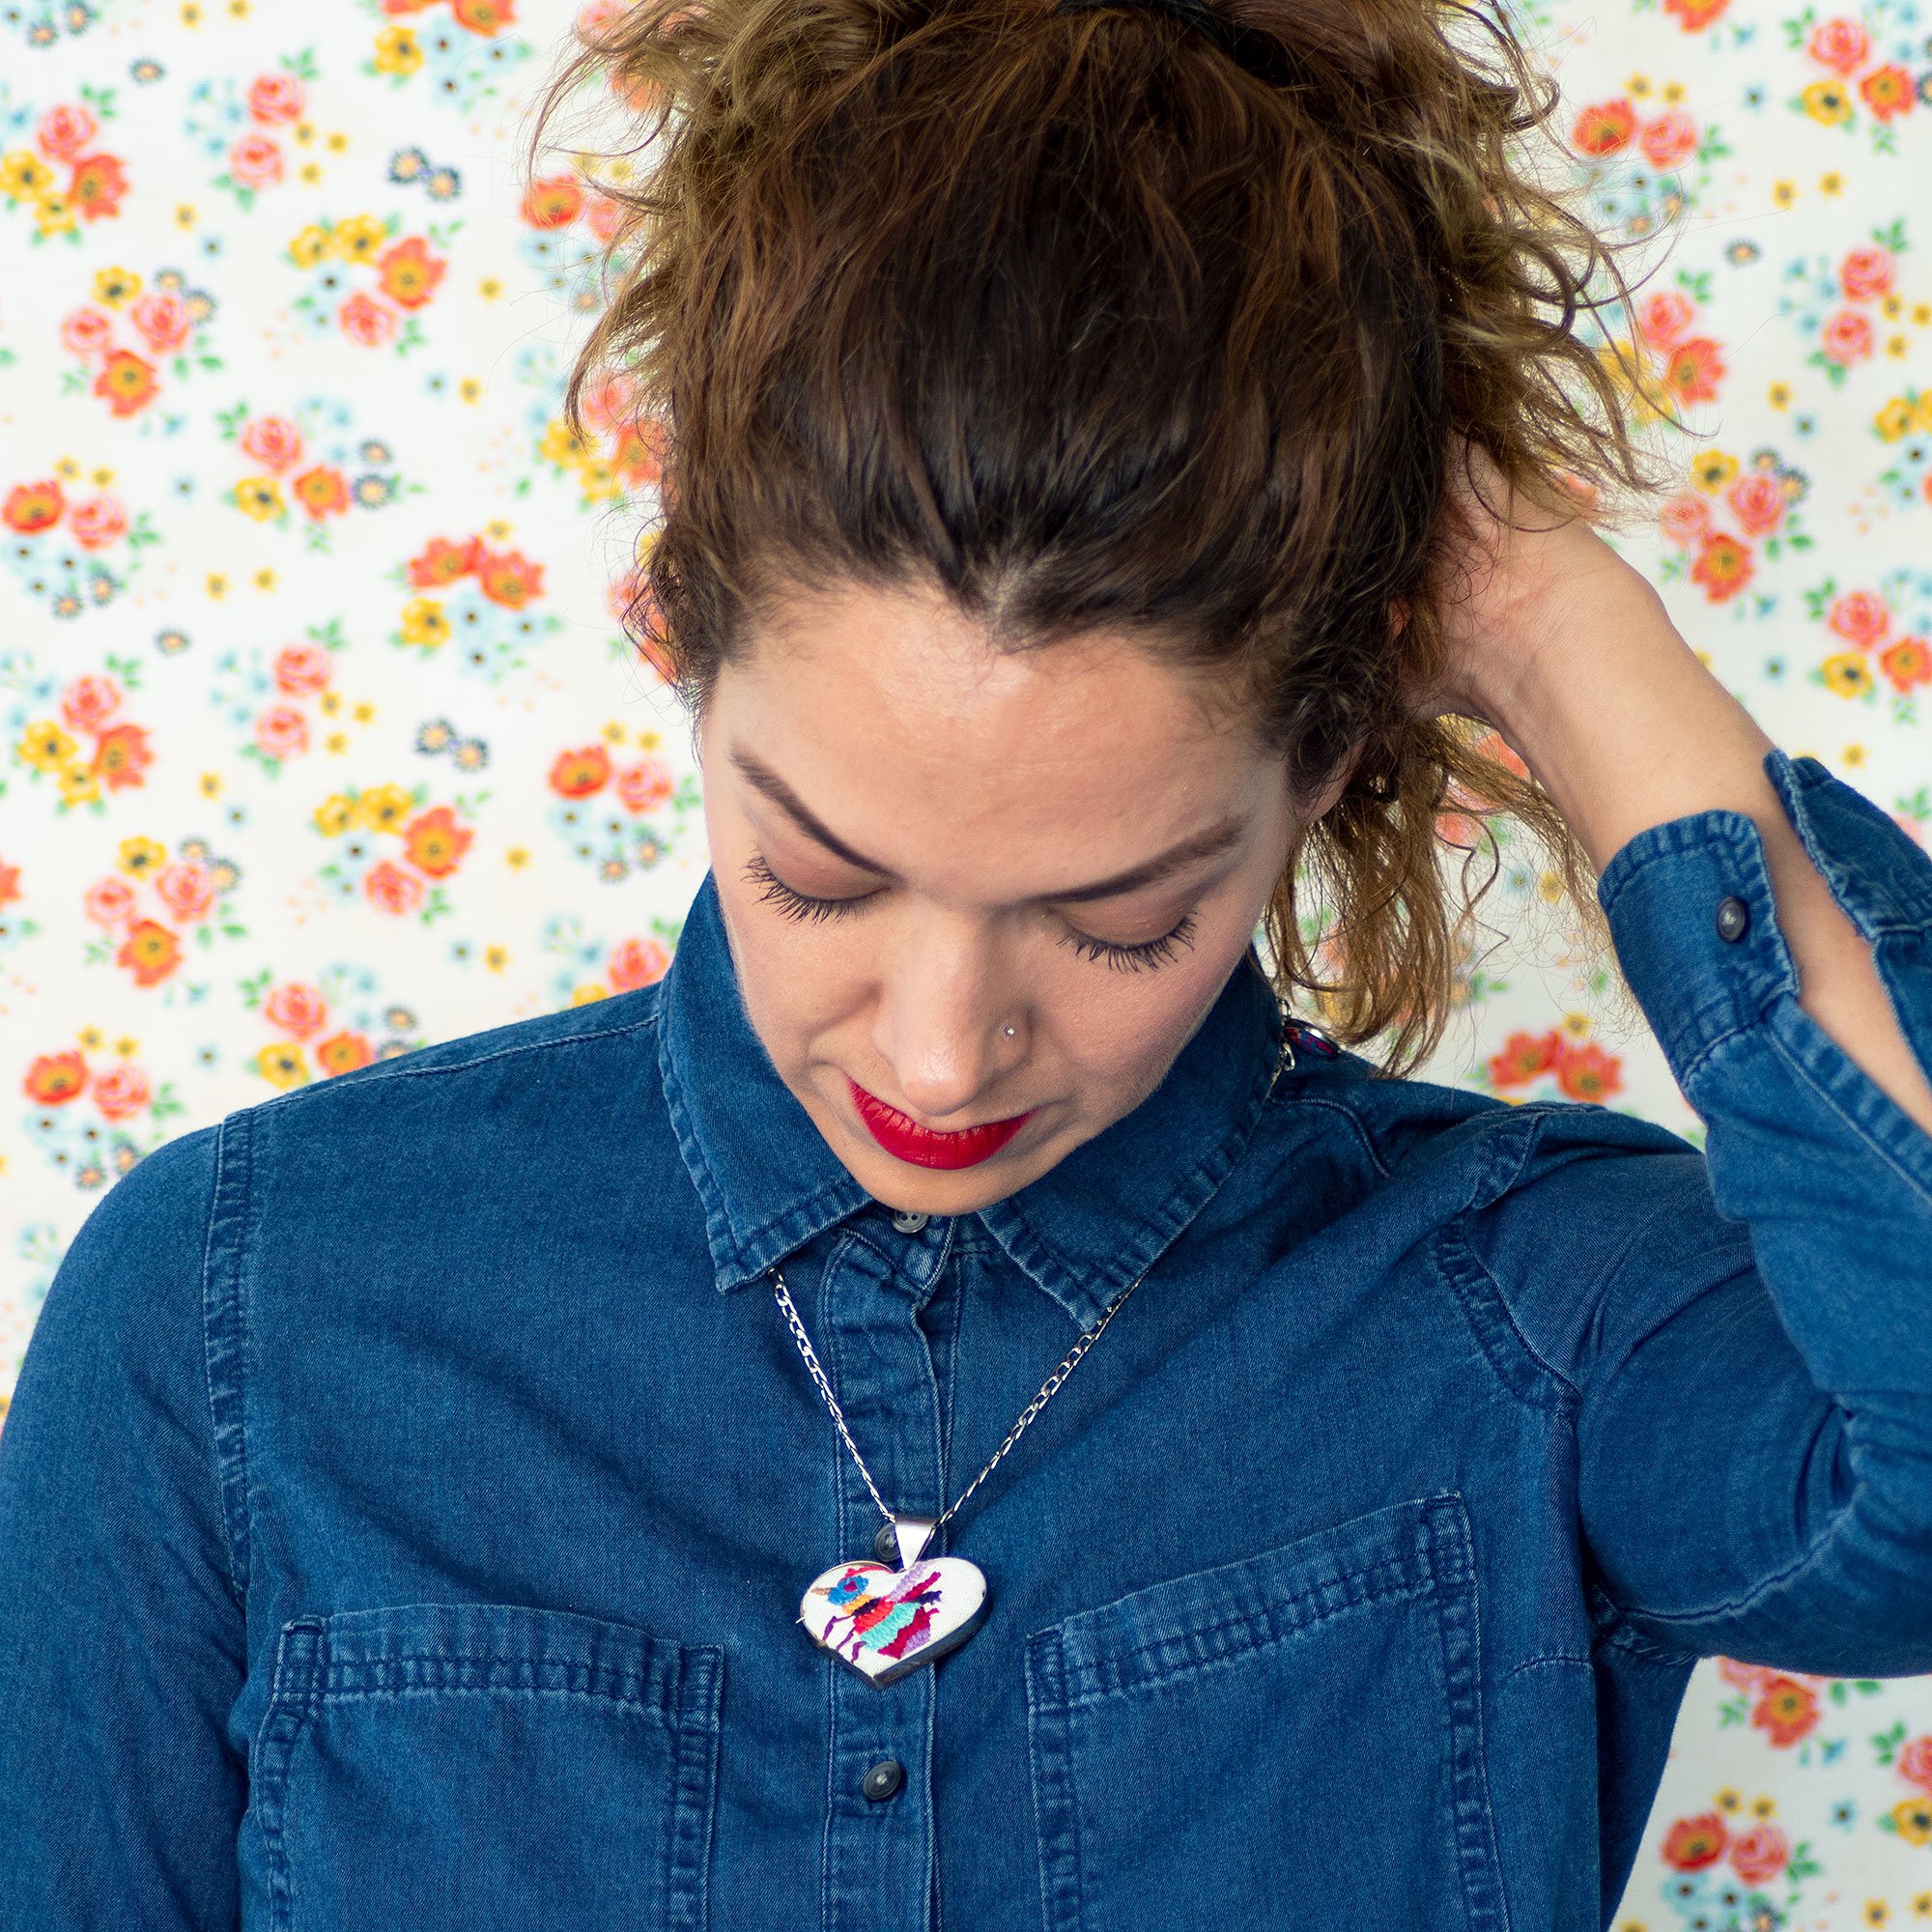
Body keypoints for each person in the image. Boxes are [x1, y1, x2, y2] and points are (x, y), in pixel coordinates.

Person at [3, 0, 1931, 1924]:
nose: (940, 1057)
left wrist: (1552, 623)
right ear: (679, 630)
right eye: (819, 873)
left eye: (1117, 916)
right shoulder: (242, 1311)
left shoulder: (1539, 1308)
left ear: (1329, 757)